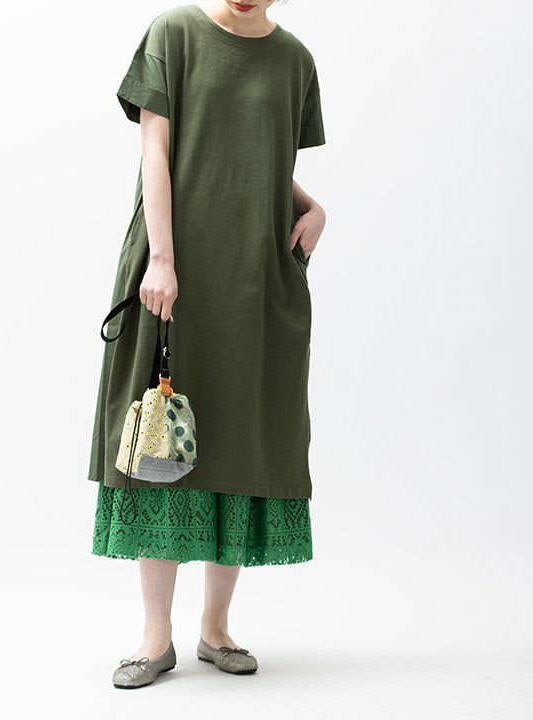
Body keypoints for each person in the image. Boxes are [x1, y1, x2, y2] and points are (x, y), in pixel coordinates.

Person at [88, 1, 326, 688]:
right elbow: (158, 149)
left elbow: (259, 156)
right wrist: (162, 259)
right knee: (159, 436)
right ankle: (155, 637)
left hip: (256, 274)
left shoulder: (295, 60)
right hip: (175, 269)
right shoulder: (174, 34)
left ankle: (216, 628)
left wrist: (311, 207)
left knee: (241, 436)